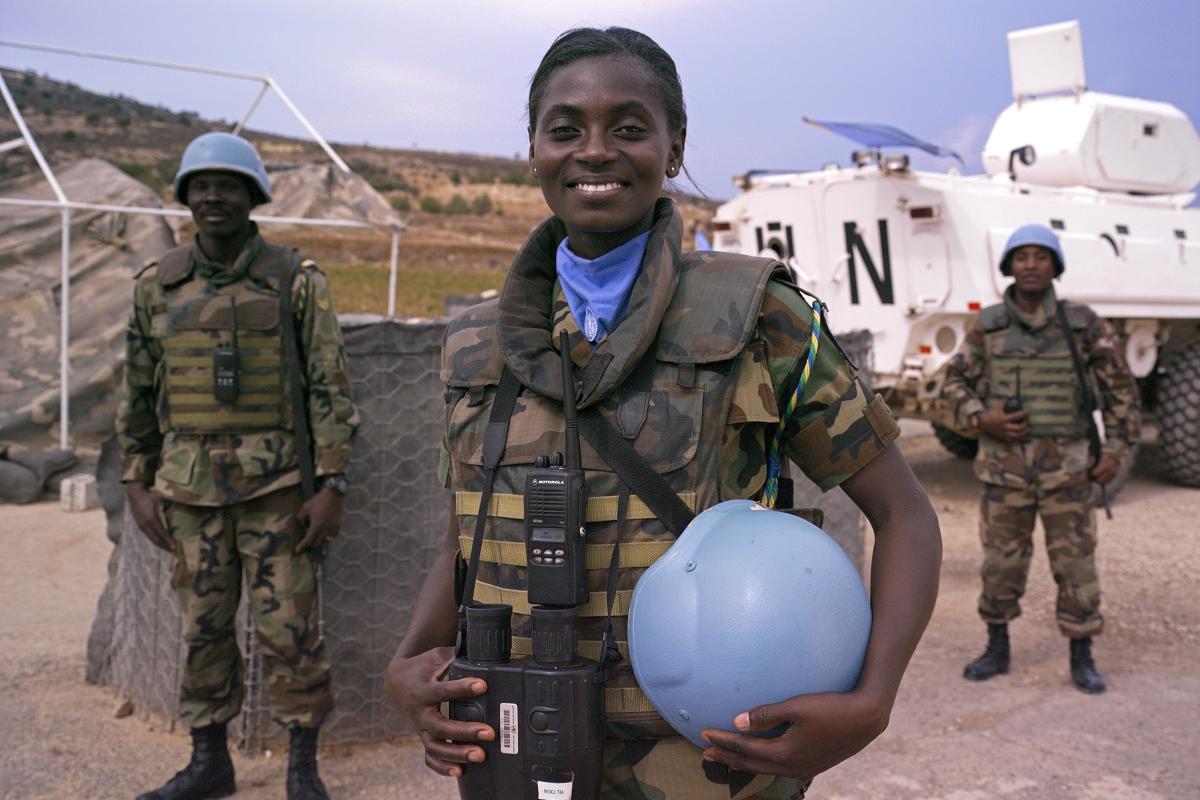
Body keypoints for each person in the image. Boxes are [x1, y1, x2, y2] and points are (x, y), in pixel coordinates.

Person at [384, 27, 941, 799]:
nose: (595, 150)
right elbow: (468, 528)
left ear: (673, 147)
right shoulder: (477, 343)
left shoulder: (761, 317)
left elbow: (905, 513)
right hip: (519, 749)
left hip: (706, 762)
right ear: (534, 150)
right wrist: (410, 661)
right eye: (565, 129)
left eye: (628, 127)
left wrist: (873, 700)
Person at [117, 131, 359, 800]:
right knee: (203, 631)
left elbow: (329, 385)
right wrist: (135, 478)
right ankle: (209, 763)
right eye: (201, 186)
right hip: (189, 492)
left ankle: (302, 768)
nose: (213, 197)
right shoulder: (157, 286)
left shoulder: (295, 280)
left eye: (228, 185)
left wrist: (332, 482)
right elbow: (136, 389)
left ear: (253, 197)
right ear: (186, 196)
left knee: (291, 632)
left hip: (278, 492)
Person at [942, 223, 1139, 695]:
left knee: (1076, 568)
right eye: (1022, 257)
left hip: (1068, 472)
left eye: (1041, 256)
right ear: (1009, 266)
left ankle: (1081, 655)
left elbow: (1120, 388)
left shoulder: (1082, 323)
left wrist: (1115, 450)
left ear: (1055, 266)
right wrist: (983, 418)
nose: (1031, 265)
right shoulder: (988, 326)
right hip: (1004, 472)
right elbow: (951, 385)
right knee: (1001, 566)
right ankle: (997, 647)